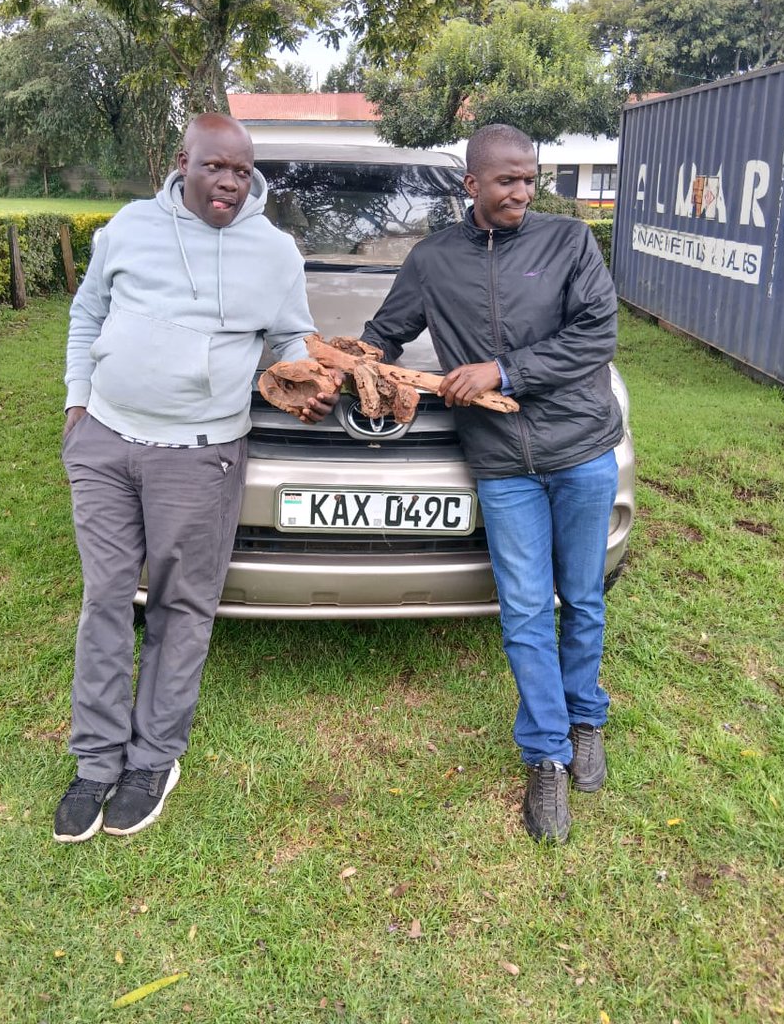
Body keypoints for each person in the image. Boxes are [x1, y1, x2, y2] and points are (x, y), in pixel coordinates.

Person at [55, 113, 338, 843]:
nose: (230, 184)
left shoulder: (273, 251)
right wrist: (77, 402)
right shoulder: (126, 228)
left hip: (201, 453)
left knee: (182, 605)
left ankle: (152, 759)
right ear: (184, 162)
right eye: (216, 168)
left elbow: (286, 332)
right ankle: (94, 761)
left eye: (242, 173)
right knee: (107, 600)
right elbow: (88, 313)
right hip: (106, 442)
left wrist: (309, 370)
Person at [362, 123, 622, 844]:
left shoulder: (568, 242)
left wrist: (504, 372)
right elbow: (386, 329)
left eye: (529, 179)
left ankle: (585, 718)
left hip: (580, 449)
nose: (521, 192)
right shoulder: (433, 258)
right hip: (502, 463)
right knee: (526, 609)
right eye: (506, 180)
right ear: (470, 184)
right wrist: (352, 363)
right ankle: (545, 754)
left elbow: (598, 334)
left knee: (584, 595)